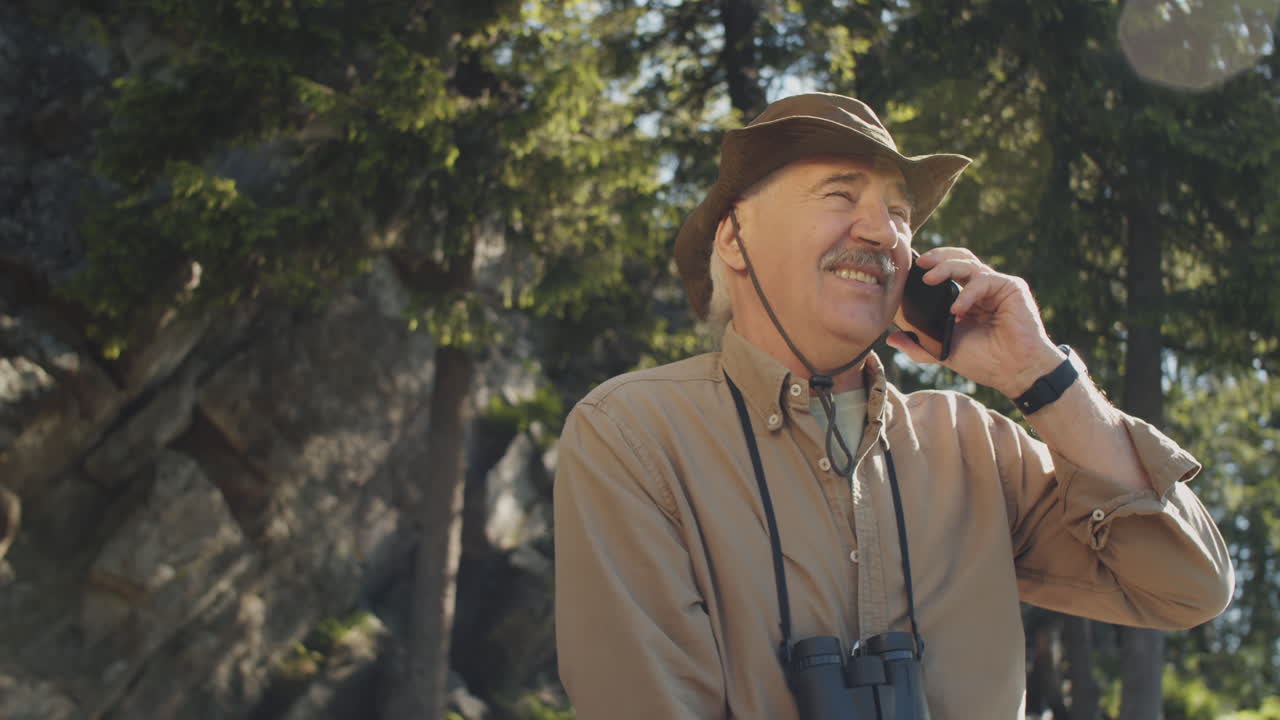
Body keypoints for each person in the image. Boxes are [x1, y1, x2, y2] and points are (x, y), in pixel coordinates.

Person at [552, 93, 1234, 719]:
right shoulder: (635, 436)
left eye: (902, 214)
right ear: (734, 239)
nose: (884, 233)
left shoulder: (972, 445)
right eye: (840, 194)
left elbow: (1186, 586)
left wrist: (1040, 375)